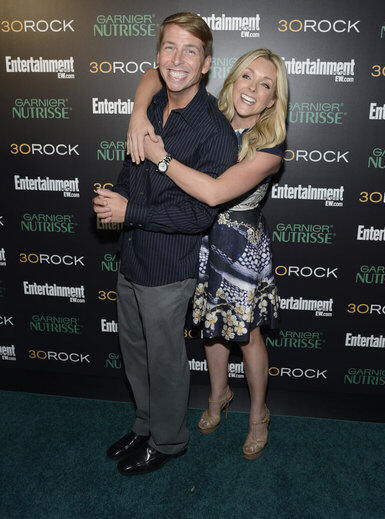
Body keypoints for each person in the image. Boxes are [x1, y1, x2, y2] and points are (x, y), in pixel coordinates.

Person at [124, 47, 288, 460]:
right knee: (211, 326)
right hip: (196, 238)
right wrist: (138, 114)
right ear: (233, 77)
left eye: (265, 84)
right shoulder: (213, 114)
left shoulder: (269, 147)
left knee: (246, 334)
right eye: (247, 76)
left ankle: (257, 413)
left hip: (237, 247)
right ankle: (218, 395)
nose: (252, 89)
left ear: (273, 99)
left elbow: (215, 193)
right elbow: (151, 72)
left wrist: (162, 158)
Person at [93, 12, 238, 475]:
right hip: (132, 255)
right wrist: (118, 195)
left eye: (190, 51)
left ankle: (170, 442)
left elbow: (200, 215)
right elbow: (136, 167)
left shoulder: (214, 130)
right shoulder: (154, 105)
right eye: (169, 48)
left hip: (168, 268)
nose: (177, 59)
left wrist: (129, 212)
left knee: (166, 361)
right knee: (134, 353)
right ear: (158, 56)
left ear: (206, 64)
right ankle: (145, 424)